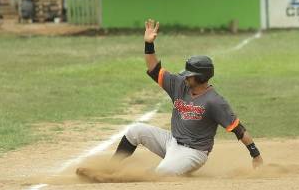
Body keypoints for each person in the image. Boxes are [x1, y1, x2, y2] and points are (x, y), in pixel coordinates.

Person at [109, 19, 263, 176]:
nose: (186, 77)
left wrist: (255, 155)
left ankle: (143, 173)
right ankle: (111, 168)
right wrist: (149, 44)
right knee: (136, 130)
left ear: (201, 77)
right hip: (171, 141)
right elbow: (154, 70)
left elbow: (239, 130)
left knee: (162, 172)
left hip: (194, 153)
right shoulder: (180, 84)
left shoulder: (214, 101)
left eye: (190, 75)